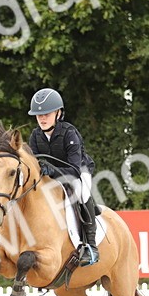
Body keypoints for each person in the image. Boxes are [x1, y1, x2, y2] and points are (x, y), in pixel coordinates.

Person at [26, 88, 99, 266]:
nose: (42, 118)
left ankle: (91, 245)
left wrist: (52, 171)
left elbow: (74, 168)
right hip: (51, 176)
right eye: (38, 115)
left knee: (82, 192)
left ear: (58, 113)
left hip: (78, 171)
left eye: (47, 114)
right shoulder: (35, 136)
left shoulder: (69, 133)